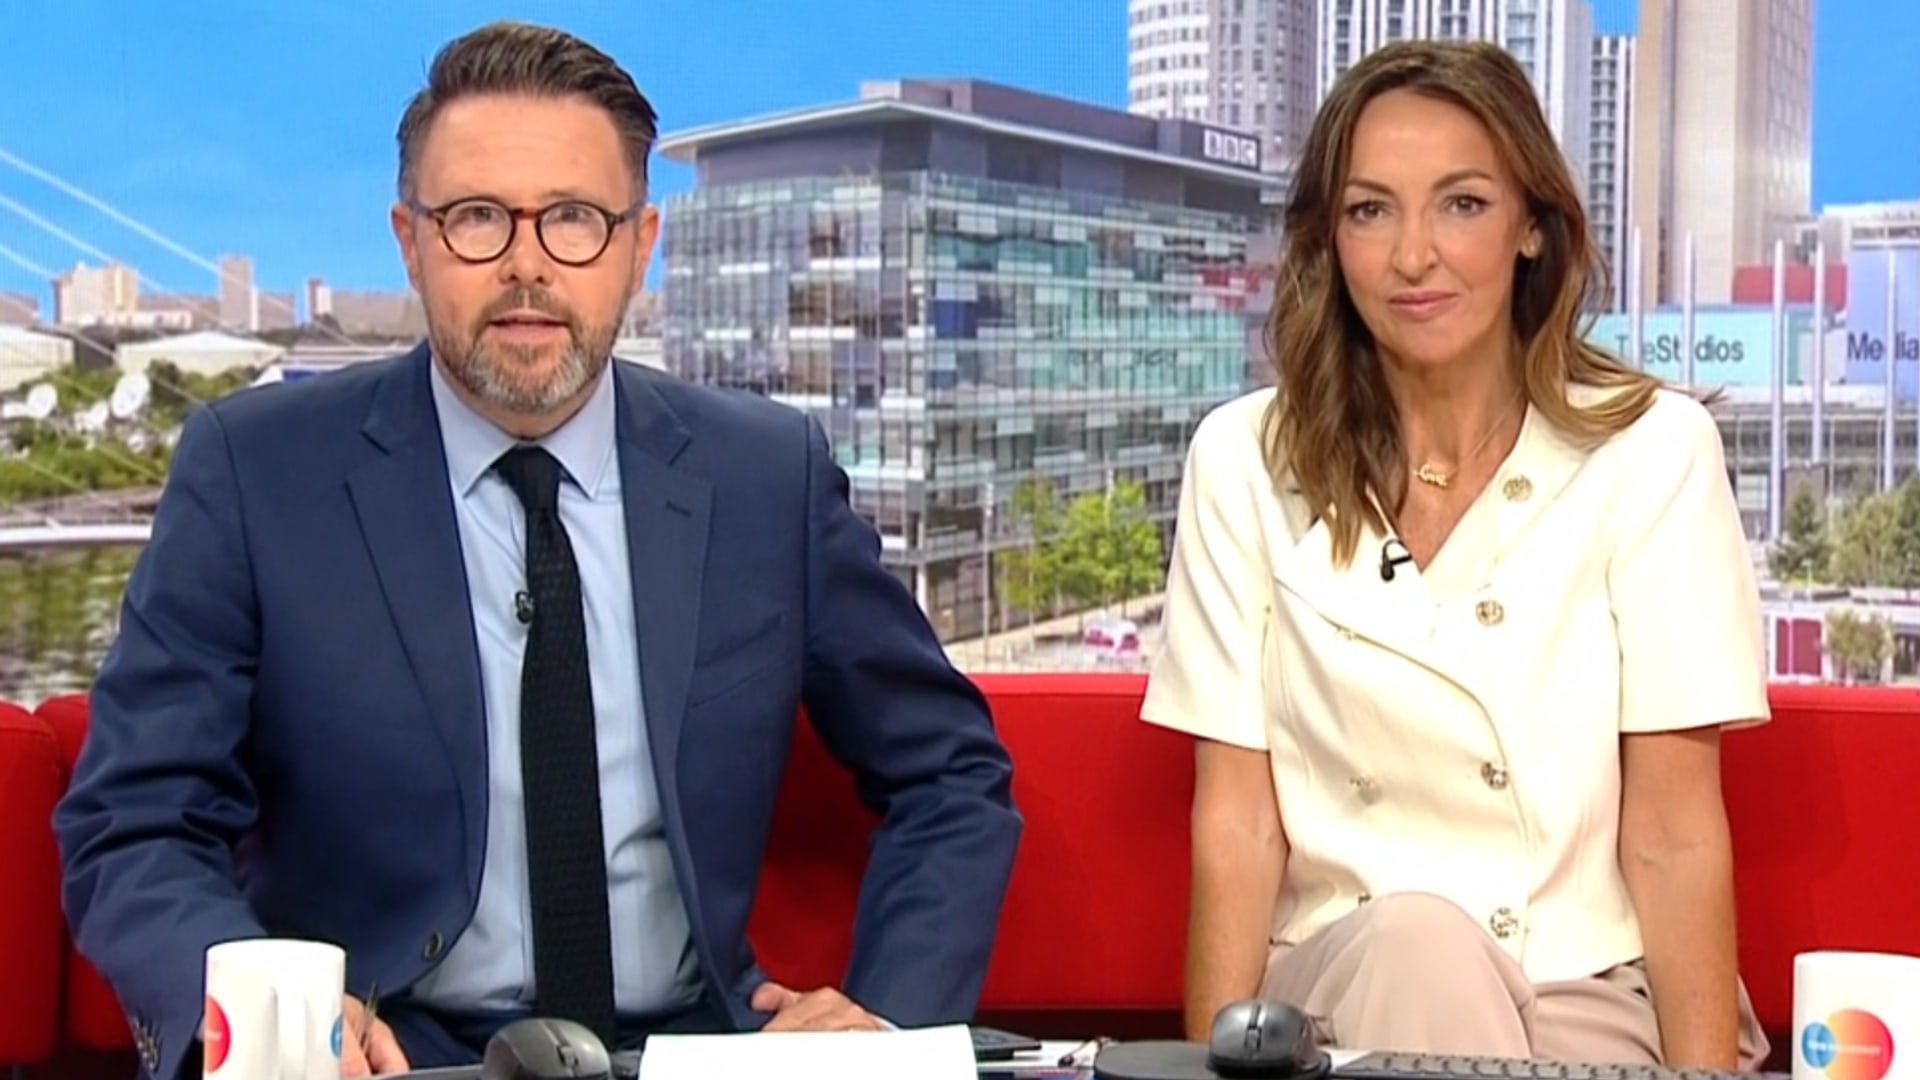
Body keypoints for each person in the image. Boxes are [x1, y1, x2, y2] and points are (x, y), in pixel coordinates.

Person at [53, 20, 1021, 1080]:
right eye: (476, 218)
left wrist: (884, 1023)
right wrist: (275, 1024)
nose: (526, 265)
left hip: (689, 1053)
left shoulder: (765, 478)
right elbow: (137, 819)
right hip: (384, 1057)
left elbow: (950, 775)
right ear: (410, 238)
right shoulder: (256, 471)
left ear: (639, 243)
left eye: (574, 219)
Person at [1140, 40, 1770, 1070]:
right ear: (1328, 240)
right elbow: (1238, 826)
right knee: (1422, 944)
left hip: (1587, 986)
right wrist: (1213, 1067)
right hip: (1338, 985)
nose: (1413, 256)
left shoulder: (1652, 452)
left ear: (1532, 225)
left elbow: (1673, 828)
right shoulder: (1244, 461)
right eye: (1370, 210)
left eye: (1463, 204)